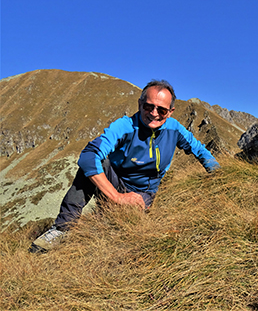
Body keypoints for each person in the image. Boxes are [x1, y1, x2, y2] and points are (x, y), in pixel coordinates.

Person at [30, 80, 220, 253]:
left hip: (144, 193)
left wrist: (221, 176)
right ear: (139, 104)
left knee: (120, 225)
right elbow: (88, 156)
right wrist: (118, 197)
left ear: (170, 112)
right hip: (115, 185)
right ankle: (62, 228)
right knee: (96, 161)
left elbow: (200, 150)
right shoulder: (125, 126)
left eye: (161, 110)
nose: (154, 113)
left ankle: (104, 217)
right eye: (148, 106)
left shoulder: (175, 129)